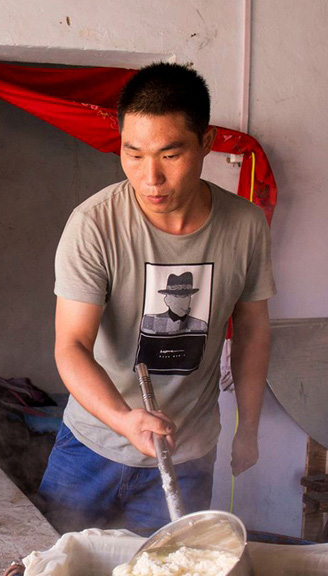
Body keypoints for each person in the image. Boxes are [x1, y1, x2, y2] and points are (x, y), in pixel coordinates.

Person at [37, 62, 274, 536]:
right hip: (92, 445)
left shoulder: (245, 226)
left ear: (206, 143)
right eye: (133, 154)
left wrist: (248, 428)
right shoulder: (95, 225)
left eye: (170, 154)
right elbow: (72, 346)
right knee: (55, 566)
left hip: (188, 454)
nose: (151, 178)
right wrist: (124, 420)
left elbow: (252, 333)